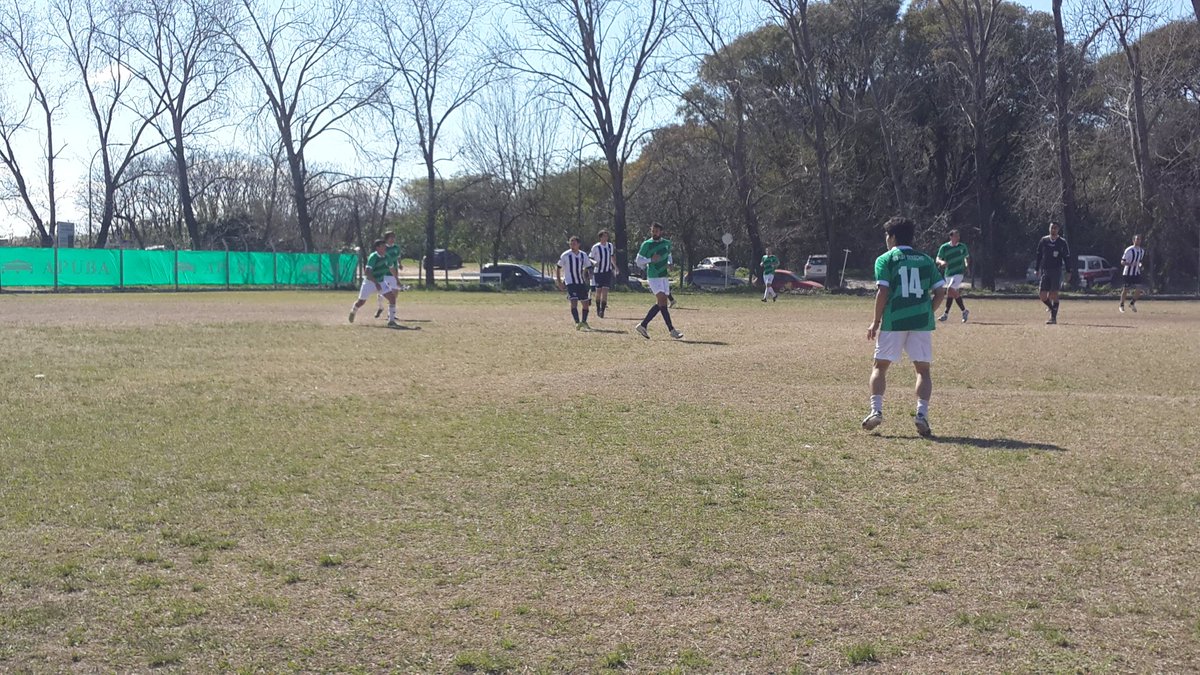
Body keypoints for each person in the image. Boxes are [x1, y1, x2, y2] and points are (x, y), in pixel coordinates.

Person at [863, 216, 946, 437]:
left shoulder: (885, 259)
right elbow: (941, 292)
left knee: (880, 366)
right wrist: (928, 311)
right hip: (920, 322)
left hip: (894, 320)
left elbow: (883, 291)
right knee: (923, 370)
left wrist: (876, 321)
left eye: (886, 236)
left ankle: (876, 411)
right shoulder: (926, 259)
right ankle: (922, 415)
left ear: (892, 237)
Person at [634, 222, 684, 340]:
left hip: (663, 276)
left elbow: (669, 254)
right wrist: (650, 259)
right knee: (662, 300)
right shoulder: (647, 244)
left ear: (661, 231)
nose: (654, 233)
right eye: (653, 231)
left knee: (662, 304)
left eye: (656, 231)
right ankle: (671, 330)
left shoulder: (667, 243)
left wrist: (669, 264)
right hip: (653, 276)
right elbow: (639, 260)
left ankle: (643, 325)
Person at [350, 239, 400, 328]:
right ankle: (353, 310)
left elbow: (392, 269)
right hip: (369, 282)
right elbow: (367, 272)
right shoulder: (373, 257)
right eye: (383, 246)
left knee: (392, 298)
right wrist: (376, 283)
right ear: (377, 248)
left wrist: (397, 279)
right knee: (361, 302)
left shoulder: (387, 256)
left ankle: (391, 321)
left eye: (385, 246)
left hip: (381, 281)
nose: (385, 248)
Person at [1035, 221, 1072, 324]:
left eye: (1055, 228)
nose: (1053, 230)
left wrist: (1069, 271)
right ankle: (1052, 308)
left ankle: (1053, 318)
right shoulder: (1044, 240)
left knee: (1053, 294)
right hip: (1045, 270)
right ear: (1049, 229)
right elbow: (1038, 255)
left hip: (1056, 270)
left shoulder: (1062, 242)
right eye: (1052, 228)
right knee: (1042, 295)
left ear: (1058, 230)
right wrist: (1037, 268)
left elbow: (1066, 258)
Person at [556, 236, 594, 330]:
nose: (572, 245)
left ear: (578, 244)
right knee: (574, 302)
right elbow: (558, 267)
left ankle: (584, 321)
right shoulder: (565, 255)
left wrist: (590, 275)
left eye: (574, 243)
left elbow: (588, 266)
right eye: (571, 243)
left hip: (580, 282)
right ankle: (577, 322)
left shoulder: (583, 255)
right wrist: (559, 281)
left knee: (585, 303)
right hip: (570, 282)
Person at [935, 229, 970, 323]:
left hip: (959, 272)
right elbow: (937, 259)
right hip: (948, 273)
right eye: (955, 236)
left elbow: (966, 257)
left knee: (950, 289)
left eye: (958, 236)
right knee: (951, 293)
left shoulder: (962, 246)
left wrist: (966, 264)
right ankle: (950, 313)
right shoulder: (944, 247)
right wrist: (941, 262)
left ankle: (961, 311)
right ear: (951, 237)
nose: (957, 238)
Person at [589, 229, 619, 318]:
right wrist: (594, 262)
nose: (606, 238)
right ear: (600, 237)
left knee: (605, 291)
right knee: (598, 291)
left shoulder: (610, 246)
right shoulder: (596, 247)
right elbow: (590, 257)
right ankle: (598, 308)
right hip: (598, 272)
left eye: (607, 236)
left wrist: (616, 267)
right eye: (604, 236)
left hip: (607, 271)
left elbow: (612, 257)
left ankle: (602, 310)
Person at [375, 231, 402, 318]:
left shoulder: (396, 247)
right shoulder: (383, 248)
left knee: (395, 292)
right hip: (385, 273)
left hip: (393, 273)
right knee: (384, 291)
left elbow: (398, 256)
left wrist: (400, 264)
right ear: (386, 239)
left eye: (393, 237)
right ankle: (382, 308)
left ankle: (389, 312)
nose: (392, 239)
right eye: (390, 237)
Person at [1119, 234, 1145, 313]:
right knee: (1126, 289)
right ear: (1133, 240)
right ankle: (1121, 305)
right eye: (1137, 239)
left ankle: (1132, 303)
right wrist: (1130, 264)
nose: (1138, 241)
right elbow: (1122, 262)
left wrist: (1140, 265)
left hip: (1136, 272)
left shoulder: (1142, 251)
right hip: (1127, 272)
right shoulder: (1129, 250)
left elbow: (1140, 261)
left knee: (1139, 289)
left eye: (1139, 239)